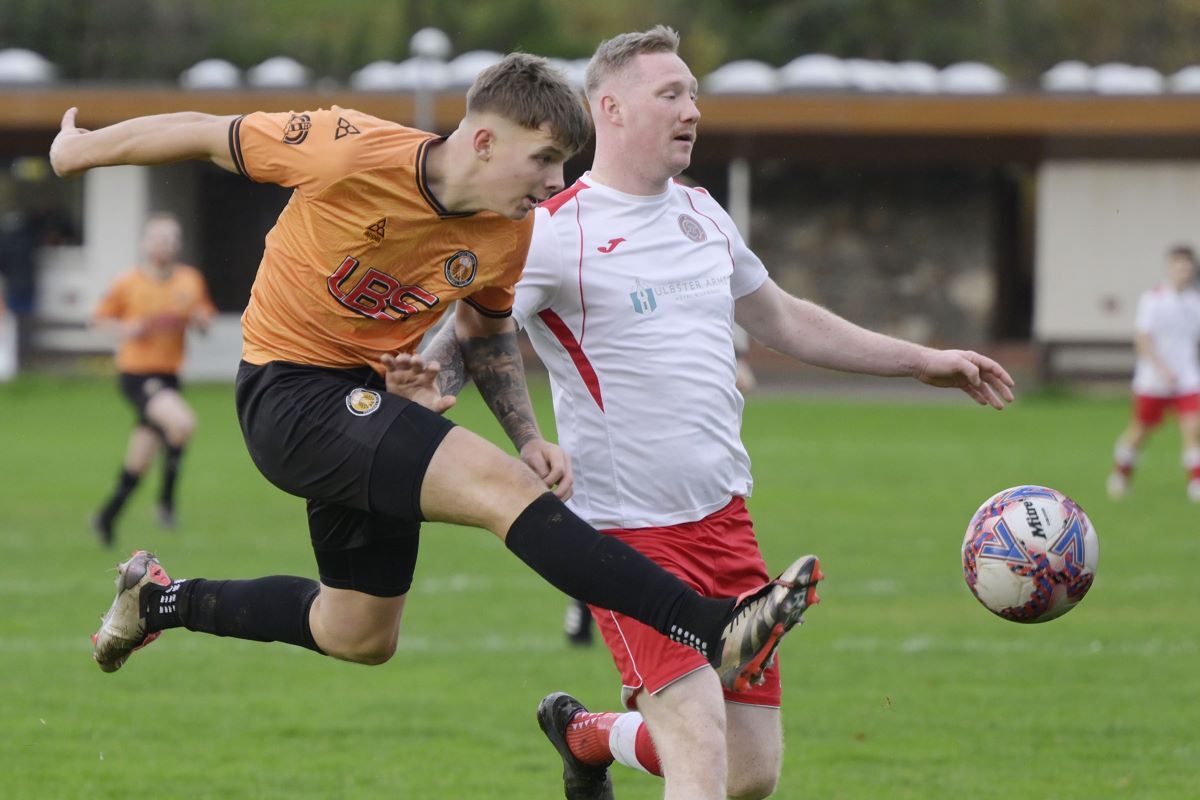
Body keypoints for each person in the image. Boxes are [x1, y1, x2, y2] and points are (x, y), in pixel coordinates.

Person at [49, 54, 817, 703]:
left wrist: (526, 435)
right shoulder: (345, 148)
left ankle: (160, 602)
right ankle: (710, 626)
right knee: (499, 495)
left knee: (357, 634)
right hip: (286, 395)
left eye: (563, 166)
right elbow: (198, 132)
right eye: (543, 159)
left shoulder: (509, 231)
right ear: (483, 140)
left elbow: (486, 331)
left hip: (362, 402)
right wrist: (76, 154)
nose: (554, 186)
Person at [405, 27, 1015, 800]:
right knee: (699, 751)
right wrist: (425, 375)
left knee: (749, 773)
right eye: (672, 94)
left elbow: (784, 319)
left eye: (694, 94)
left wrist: (921, 360)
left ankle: (586, 736)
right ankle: (610, 735)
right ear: (612, 110)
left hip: (726, 523)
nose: (693, 109)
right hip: (625, 534)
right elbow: (477, 321)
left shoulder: (702, 212)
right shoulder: (557, 229)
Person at [91, 213, 215, 546]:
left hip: (169, 375)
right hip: (137, 373)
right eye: (159, 239)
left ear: (178, 244)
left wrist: (201, 322)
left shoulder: (190, 280)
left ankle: (106, 517)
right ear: (146, 243)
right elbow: (99, 319)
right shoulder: (128, 282)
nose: (165, 245)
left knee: (141, 458)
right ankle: (165, 505)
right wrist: (124, 329)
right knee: (183, 423)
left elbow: (203, 319)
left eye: (171, 239)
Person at [1106, 244, 1200, 502]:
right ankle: (1120, 474)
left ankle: (1195, 484)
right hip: (1154, 380)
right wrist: (1162, 369)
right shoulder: (1153, 299)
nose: (1183, 271)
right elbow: (1143, 339)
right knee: (1140, 430)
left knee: (1193, 428)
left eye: (1187, 266)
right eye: (1179, 266)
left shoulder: (1195, 301)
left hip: (1187, 378)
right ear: (1170, 267)